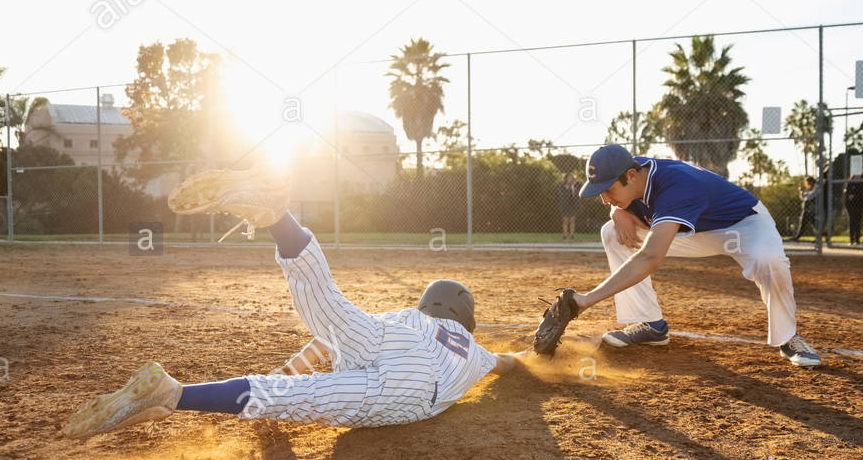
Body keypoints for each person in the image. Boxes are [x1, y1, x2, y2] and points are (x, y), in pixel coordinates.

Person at [63, 167, 523, 437]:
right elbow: (509, 363)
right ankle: (174, 394)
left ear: (430, 304)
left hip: (385, 337)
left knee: (326, 303)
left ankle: (278, 218)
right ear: (465, 316)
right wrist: (538, 356)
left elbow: (325, 341)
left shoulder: (409, 319)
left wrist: (292, 365)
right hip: (415, 388)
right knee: (290, 398)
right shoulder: (472, 348)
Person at [559, 143, 822, 367]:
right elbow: (624, 202)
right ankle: (650, 325)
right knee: (612, 232)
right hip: (694, 231)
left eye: (608, 190)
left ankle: (788, 337)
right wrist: (617, 213)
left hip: (742, 226)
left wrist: (587, 300)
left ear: (631, 175)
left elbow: (651, 257)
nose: (605, 199)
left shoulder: (677, 187)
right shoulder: (633, 170)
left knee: (769, 261)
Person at [788, 176, 818, 241]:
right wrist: (801, 192)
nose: (807, 184)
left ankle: (797, 237)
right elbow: (803, 198)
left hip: (810, 209)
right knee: (813, 224)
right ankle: (822, 235)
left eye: (808, 182)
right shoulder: (810, 190)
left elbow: (809, 197)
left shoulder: (816, 188)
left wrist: (804, 194)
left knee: (806, 223)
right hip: (806, 209)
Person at [844, 171, 863, 245]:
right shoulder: (850, 183)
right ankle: (851, 240)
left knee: (858, 222)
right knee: (852, 221)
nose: (858, 176)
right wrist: (851, 195)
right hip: (850, 205)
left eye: (859, 175)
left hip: (860, 205)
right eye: (856, 175)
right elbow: (847, 194)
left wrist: (854, 195)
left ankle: (857, 240)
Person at [558, 170, 581, 240]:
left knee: (572, 220)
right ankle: (565, 235)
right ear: (566, 179)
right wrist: (568, 187)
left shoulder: (575, 186)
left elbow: (576, 195)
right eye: (569, 178)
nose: (570, 179)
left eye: (571, 178)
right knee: (565, 220)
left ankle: (572, 235)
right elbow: (562, 196)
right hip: (565, 205)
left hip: (572, 205)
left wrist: (572, 187)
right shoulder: (562, 186)